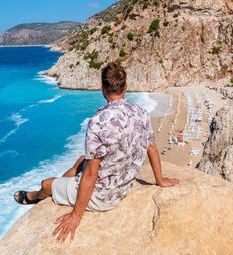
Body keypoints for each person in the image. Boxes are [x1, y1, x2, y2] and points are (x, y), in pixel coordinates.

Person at [14, 62, 179, 242]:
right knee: (81, 160)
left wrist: (76, 215)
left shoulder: (98, 121)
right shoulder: (140, 112)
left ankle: (35, 197)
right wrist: (160, 180)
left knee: (46, 184)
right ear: (125, 86)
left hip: (103, 196)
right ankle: (63, 185)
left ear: (102, 88)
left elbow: (91, 174)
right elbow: (152, 148)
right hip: (123, 185)